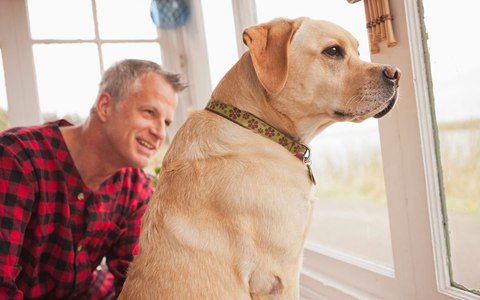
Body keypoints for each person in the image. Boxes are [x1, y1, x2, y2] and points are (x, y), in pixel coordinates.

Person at [0, 59, 186, 299]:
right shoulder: (17, 159)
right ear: (105, 106)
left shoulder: (134, 188)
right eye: (150, 112)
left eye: (166, 122)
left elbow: (136, 283)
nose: (160, 133)